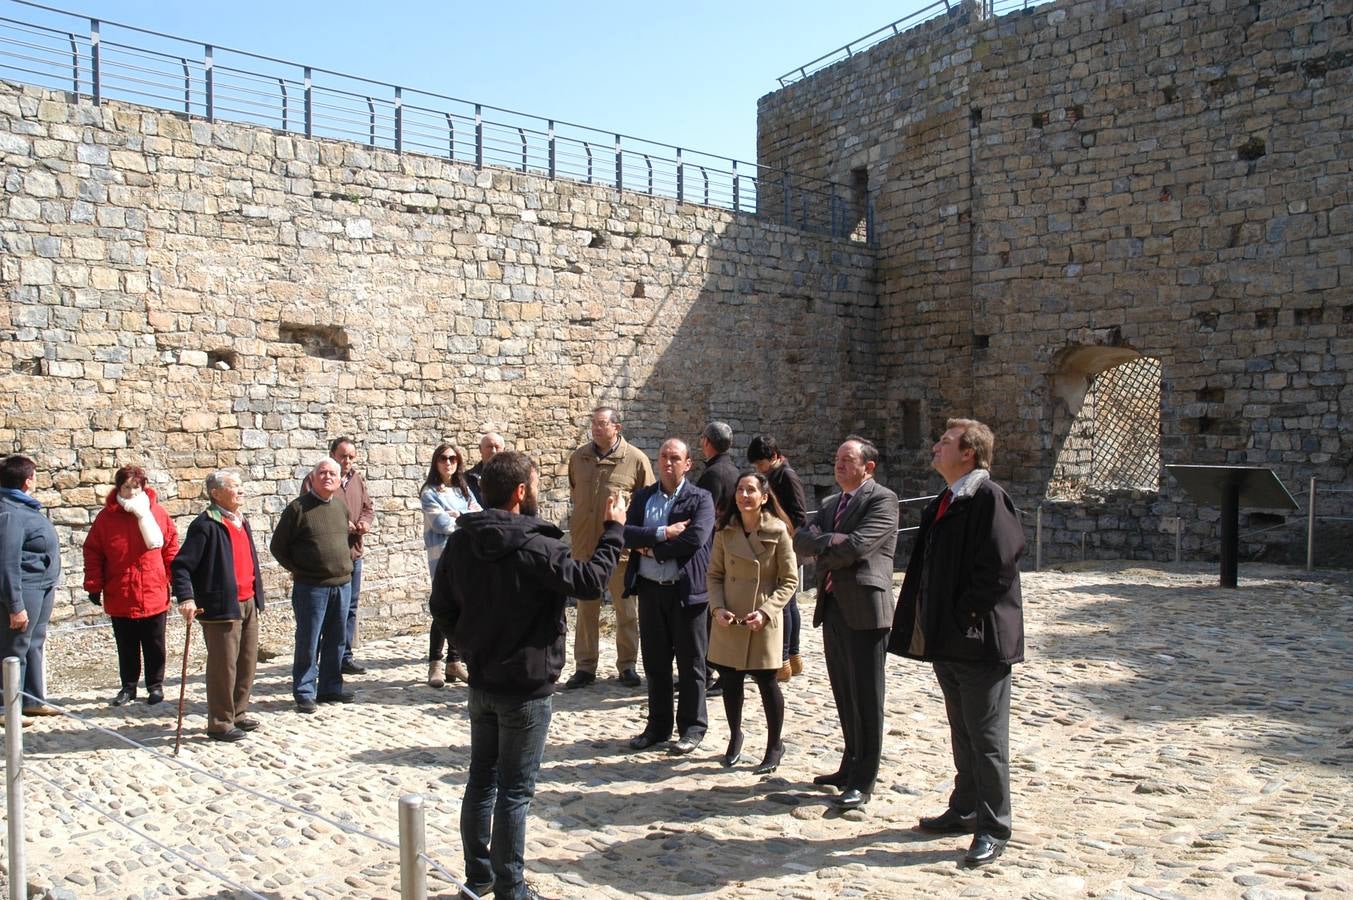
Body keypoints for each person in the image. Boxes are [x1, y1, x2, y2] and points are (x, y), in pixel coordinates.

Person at [430, 450, 623, 900]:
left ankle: (479, 878)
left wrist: (472, 643)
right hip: (524, 688)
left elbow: (441, 609)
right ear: (520, 493)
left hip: (484, 681)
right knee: (513, 790)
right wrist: (614, 529)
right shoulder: (538, 545)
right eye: (533, 485)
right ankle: (508, 888)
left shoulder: (464, 542)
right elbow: (592, 581)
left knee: (482, 781)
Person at [889, 418, 1025, 868]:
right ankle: (966, 806)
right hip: (949, 640)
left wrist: (965, 615)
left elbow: (1000, 563)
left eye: (944, 441)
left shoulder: (988, 497)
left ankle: (993, 825)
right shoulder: (947, 498)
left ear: (968, 452)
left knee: (986, 737)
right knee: (962, 729)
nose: (934, 446)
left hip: (978, 640)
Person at [793, 436, 899, 811]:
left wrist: (828, 546)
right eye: (837, 458)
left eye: (847, 459)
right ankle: (848, 764)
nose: (839, 465)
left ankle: (864, 778)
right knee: (843, 691)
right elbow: (801, 541)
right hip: (834, 605)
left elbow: (857, 547)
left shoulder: (882, 500)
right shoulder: (829, 504)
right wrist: (829, 541)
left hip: (867, 610)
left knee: (867, 697)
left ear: (867, 467)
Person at [622, 439, 715, 755]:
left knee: (691, 664)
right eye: (663, 457)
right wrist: (663, 534)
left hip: (686, 592)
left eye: (675, 458)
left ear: (688, 463)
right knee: (656, 663)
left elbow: (694, 539)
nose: (668, 462)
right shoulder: (645, 497)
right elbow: (625, 534)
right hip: (649, 590)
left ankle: (692, 728)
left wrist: (651, 551)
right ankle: (658, 726)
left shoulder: (700, 499)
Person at [707, 470, 798, 774]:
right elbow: (715, 575)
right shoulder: (724, 531)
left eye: (751, 491)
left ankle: (775, 744)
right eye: (740, 491)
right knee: (730, 683)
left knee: (767, 683)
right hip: (730, 620)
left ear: (764, 497)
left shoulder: (779, 531)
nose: (744, 496)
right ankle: (735, 737)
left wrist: (767, 611)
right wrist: (717, 608)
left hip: (762, 619)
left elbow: (789, 581)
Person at [170, 470, 266, 742]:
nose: (241, 490)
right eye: (234, 486)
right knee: (223, 667)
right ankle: (220, 723)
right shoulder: (205, 525)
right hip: (221, 605)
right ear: (216, 493)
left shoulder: (241, 521)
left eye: (241, 486)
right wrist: (186, 598)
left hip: (248, 601)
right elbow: (181, 565)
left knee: (246, 662)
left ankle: (238, 713)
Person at [565, 406, 653, 690]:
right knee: (586, 610)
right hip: (584, 548)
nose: (596, 428)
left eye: (602, 424)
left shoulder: (636, 460)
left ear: (618, 427)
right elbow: (575, 494)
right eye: (594, 424)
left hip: (619, 550)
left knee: (625, 610)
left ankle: (627, 665)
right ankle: (585, 667)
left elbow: (646, 504)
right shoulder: (579, 458)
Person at [82, 465, 180, 706]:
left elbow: (170, 547)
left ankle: (155, 686)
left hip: (152, 588)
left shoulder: (157, 514)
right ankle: (129, 686)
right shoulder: (106, 518)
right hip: (121, 590)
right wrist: (94, 584)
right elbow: (93, 551)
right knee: (126, 643)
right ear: (119, 488)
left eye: (136, 487)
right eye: (126, 487)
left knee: (155, 642)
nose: (131, 492)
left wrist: (175, 578)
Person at [272, 458, 354, 713]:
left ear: (340, 479)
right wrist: (301, 569)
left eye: (332, 473)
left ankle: (330, 688)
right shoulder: (298, 509)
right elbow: (278, 547)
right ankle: (305, 690)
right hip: (311, 587)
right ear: (313, 477)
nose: (327, 477)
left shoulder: (340, 507)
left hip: (342, 584)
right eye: (322, 473)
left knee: (337, 639)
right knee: (309, 640)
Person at [301, 437, 374, 676]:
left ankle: (344, 656)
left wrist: (364, 523)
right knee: (322, 614)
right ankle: (317, 662)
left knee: (349, 608)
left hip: (353, 553)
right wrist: (344, 525)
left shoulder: (357, 481)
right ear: (332, 454)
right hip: (327, 559)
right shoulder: (315, 480)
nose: (348, 461)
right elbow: (311, 514)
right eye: (343, 456)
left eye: (352, 457)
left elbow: (367, 507)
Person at [0, 455, 60, 719]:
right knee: (17, 646)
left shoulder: (23, 505)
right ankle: (8, 708)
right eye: (35, 475)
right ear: (27, 481)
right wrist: (15, 605)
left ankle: (32, 699)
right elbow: (7, 561)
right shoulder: (9, 512)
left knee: (35, 641)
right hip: (26, 588)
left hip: (42, 586)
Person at [746, 434, 809, 682]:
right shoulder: (776, 474)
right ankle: (790, 658)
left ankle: (784, 659)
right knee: (789, 605)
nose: (758, 469)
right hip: (779, 545)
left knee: (783, 605)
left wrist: (788, 539)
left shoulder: (786, 476)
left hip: (787, 546)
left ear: (773, 457)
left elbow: (799, 515)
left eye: (760, 464)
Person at [421, 442, 480, 687]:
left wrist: (460, 516)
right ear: (436, 462)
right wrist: (463, 518)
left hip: (466, 555)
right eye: (444, 458)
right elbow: (441, 524)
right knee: (443, 607)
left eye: (453, 459)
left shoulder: (463, 489)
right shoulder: (430, 492)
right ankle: (435, 661)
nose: (448, 463)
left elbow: (480, 514)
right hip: (443, 556)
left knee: (462, 607)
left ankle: (454, 661)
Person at [696, 421, 739, 518]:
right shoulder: (735, 470)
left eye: (702, 437)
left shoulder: (712, 474)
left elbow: (703, 513)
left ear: (706, 441)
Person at [466, 432, 505, 507]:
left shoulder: (512, 478)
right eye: (489, 446)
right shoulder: (467, 479)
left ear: (503, 450)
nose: (493, 451)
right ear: (480, 449)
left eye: (497, 447)